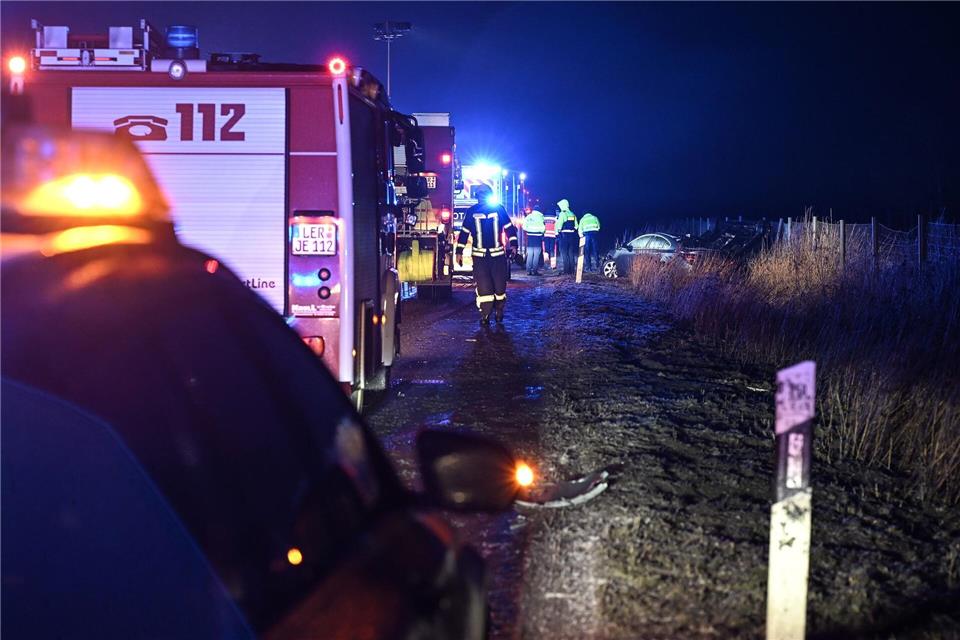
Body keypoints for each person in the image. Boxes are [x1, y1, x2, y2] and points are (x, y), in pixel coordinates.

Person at [455, 184, 518, 325]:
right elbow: (464, 233)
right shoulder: (471, 212)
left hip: (498, 257)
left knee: (500, 288)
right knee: (484, 289)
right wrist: (458, 252)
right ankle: (485, 315)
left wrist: (514, 245)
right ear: (477, 197)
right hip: (480, 259)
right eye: (480, 194)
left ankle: (499, 310)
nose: (482, 197)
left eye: (484, 194)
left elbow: (509, 228)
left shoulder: (499, 209)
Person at [556, 199, 578, 275]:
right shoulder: (572, 214)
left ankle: (566, 271)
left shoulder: (562, 214)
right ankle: (572, 271)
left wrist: (558, 232)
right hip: (572, 236)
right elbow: (576, 226)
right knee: (571, 253)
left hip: (564, 236)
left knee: (564, 253)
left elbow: (559, 226)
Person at [523, 209, 546, 275]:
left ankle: (528, 271)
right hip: (537, 238)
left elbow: (524, 227)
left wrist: (530, 230)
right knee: (536, 255)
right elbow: (543, 229)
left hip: (530, 238)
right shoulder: (541, 217)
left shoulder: (528, 217)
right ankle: (534, 271)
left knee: (530, 254)